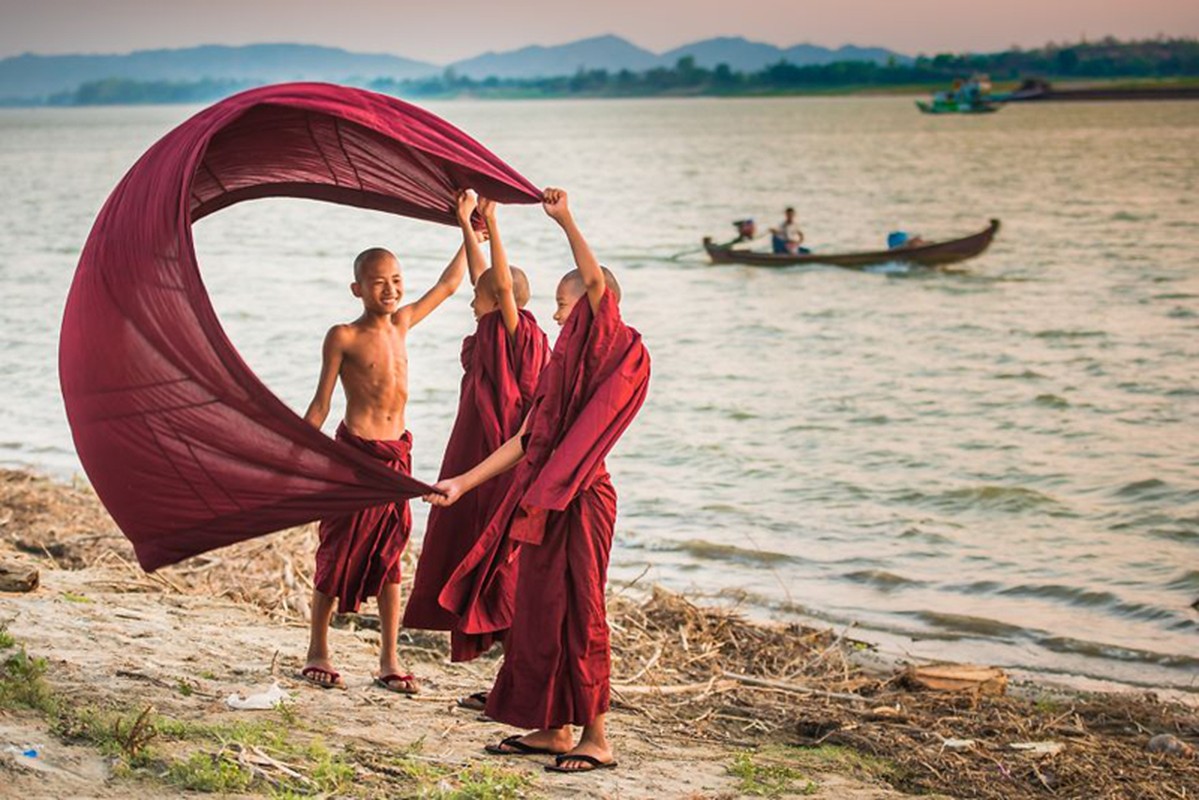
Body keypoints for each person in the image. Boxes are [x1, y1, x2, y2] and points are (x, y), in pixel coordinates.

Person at [426, 187, 650, 774]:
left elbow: (594, 284)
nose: (553, 314)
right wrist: (462, 484)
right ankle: (555, 728)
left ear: (594, 307)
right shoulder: (558, 365)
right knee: (540, 610)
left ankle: (596, 736)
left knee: (582, 612)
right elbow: (527, 441)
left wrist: (565, 219)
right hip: (543, 501)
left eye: (562, 304)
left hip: (582, 499)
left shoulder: (612, 347)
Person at [298, 235, 468, 693]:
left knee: (391, 558)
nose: (390, 290)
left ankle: (389, 658)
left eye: (396, 281)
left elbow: (451, 284)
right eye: (378, 283)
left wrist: (473, 228)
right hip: (354, 459)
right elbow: (320, 405)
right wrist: (291, 453)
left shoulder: (404, 322)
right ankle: (318, 648)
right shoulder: (343, 336)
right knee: (336, 553)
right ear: (357, 289)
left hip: (397, 459)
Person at [403, 190, 550, 707]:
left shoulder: (519, 333)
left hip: (501, 463)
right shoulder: (492, 325)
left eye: (479, 296)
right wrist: (467, 225)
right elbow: (484, 279)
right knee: (477, 562)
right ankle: (508, 683)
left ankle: (519, 684)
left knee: (498, 569)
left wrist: (492, 221)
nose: (472, 298)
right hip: (474, 459)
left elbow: (498, 283)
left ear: (498, 302)